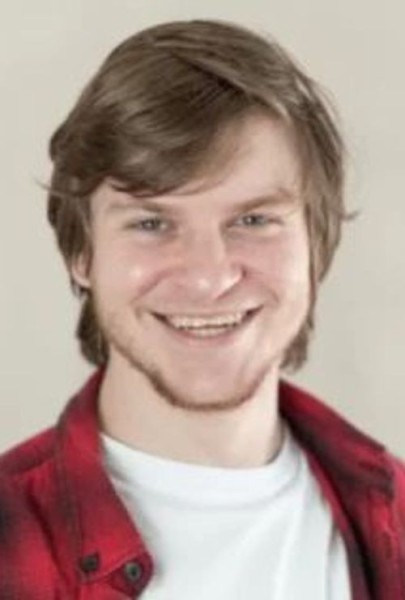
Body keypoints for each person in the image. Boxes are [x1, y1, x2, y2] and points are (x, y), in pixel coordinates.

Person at [0, 19, 404, 600]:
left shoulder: (395, 520)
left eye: (253, 220)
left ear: (315, 245)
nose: (209, 277)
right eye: (152, 223)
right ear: (81, 253)